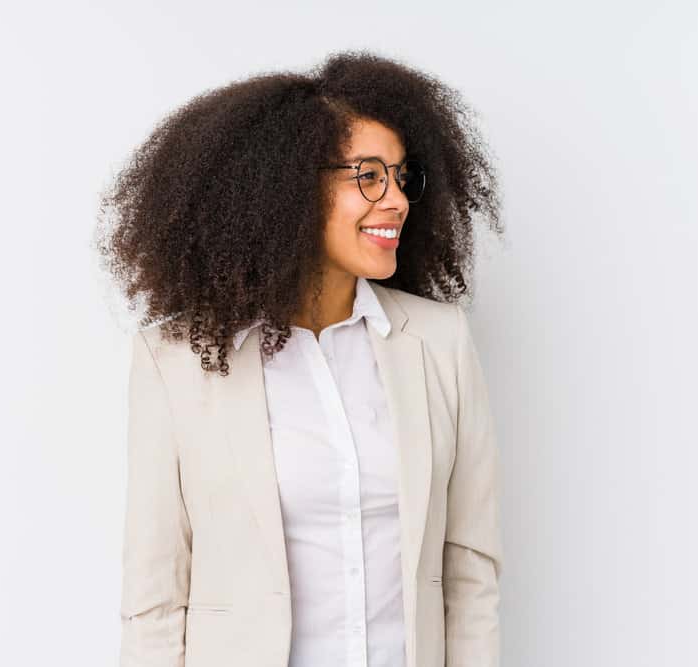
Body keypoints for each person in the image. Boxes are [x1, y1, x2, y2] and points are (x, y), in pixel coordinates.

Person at [96, 49, 505, 667]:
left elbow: (470, 570)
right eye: (368, 176)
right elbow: (155, 596)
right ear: (288, 188)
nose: (395, 200)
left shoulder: (439, 343)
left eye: (401, 177)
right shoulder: (175, 361)